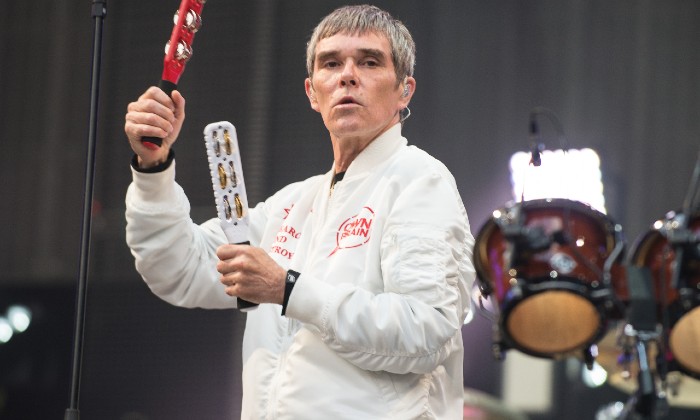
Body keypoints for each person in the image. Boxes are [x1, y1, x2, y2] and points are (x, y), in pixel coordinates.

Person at [124, 4, 475, 419]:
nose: (347, 74)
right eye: (331, 63)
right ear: (312, 92)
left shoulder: (419, 180)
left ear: (404, 90)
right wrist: (153, 169)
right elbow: (178, 268)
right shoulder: (292, 206)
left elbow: (425, 333)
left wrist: (288, 290)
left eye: (369, 61)